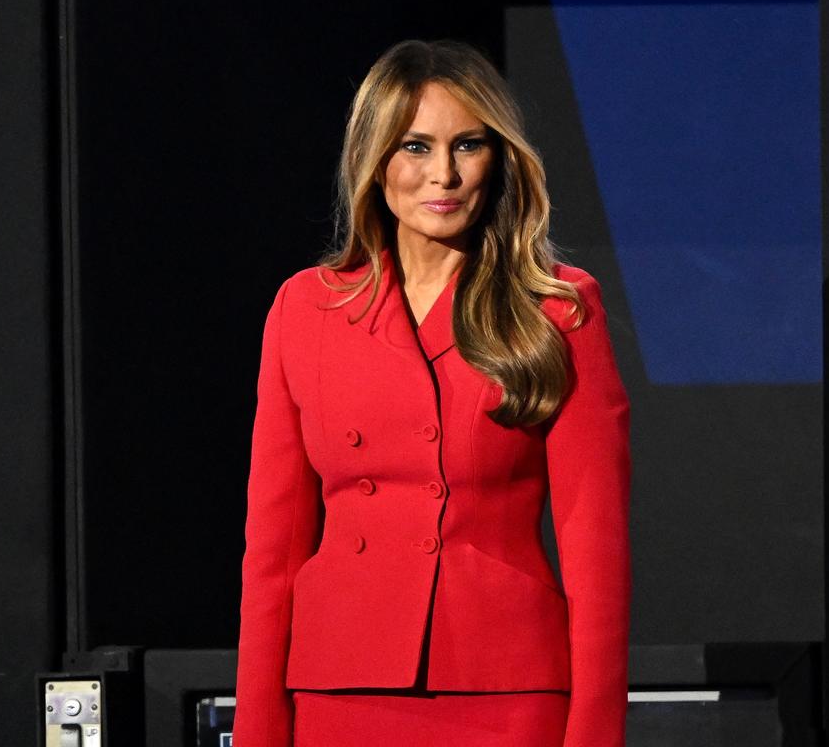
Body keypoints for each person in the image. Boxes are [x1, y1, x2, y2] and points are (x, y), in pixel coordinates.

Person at [233, 38, 632, 747]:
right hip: (339, 689)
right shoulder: (305, 309)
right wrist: (261, 731)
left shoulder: (560, 309)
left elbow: (593, 545)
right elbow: (273, 551)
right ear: (375, 158)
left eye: (467, 145)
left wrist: (594, 735)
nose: (442, 174)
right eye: (415, 147)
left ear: (498, 157)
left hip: (506, 690)